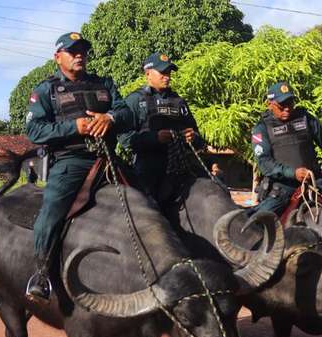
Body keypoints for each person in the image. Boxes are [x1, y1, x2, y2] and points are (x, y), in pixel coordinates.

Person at [25, 32, 130, 303]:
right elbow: (35, 130)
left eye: (82, 50)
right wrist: (76, 126)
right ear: (58, 57)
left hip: (109, 160)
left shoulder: (104, 83)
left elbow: (128, 114)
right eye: (73, 51)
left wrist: (110, 117)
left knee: (148, 201)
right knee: (51, 213)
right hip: (71, 163)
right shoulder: (45, 90)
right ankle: (41, 274)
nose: (80, 55)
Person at [250, 81, 322, 216]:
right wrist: (293, 173)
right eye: (282, 105)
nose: (287, 108)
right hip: (283, 187)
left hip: (315, 182)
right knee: (256, 222)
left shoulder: (307, 119)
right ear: (270, 104)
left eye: (290, 103)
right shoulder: (261, 128)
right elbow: (265, 163)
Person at [117, 52, 205, 205]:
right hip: (148, 166)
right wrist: (155, 138)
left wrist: (193, 137)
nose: (167, 76)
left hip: (180, 164)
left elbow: (198, 138)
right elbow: (124, 138)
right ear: (148, 74)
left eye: (169, 72)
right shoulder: (135, 100)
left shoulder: (179, 101)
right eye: (163, 72)